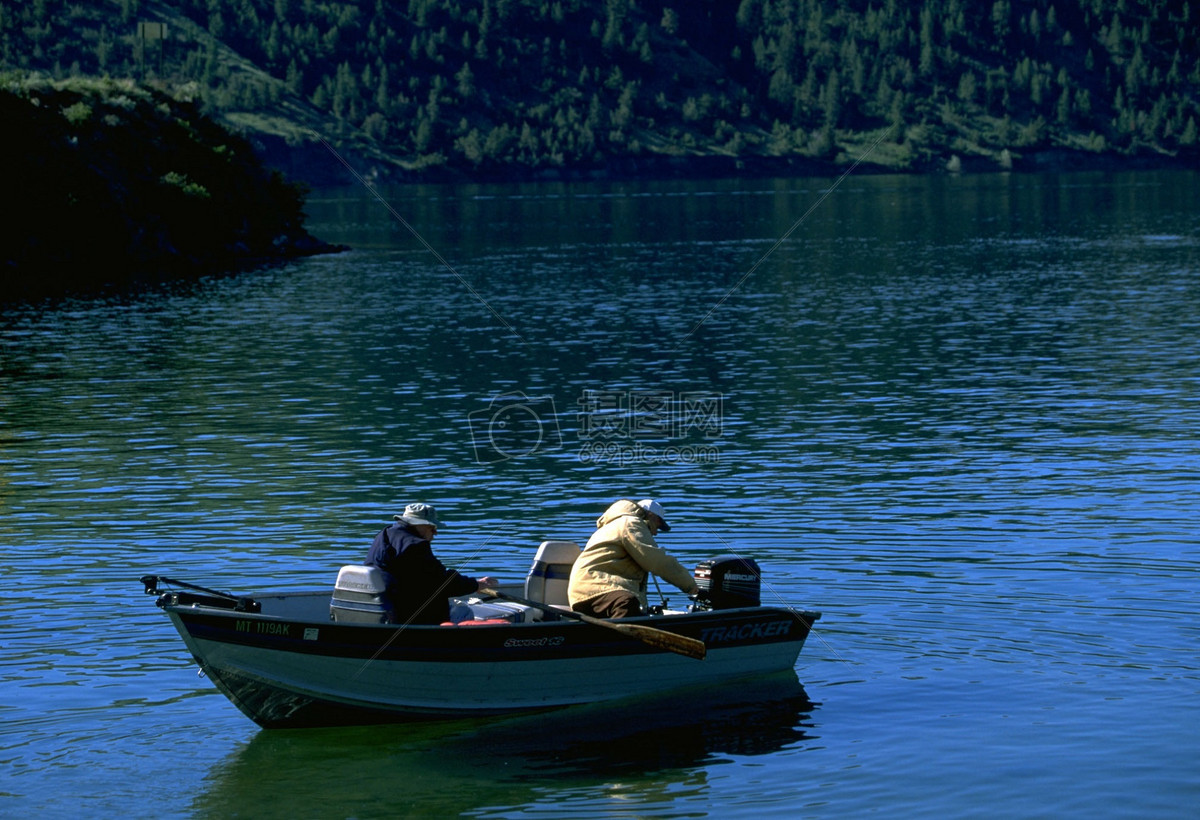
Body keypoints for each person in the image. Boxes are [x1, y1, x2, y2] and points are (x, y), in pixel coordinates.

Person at [365, 502, 499, 625]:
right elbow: (442, 583)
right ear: (419, 524)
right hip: (409, 615)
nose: (435, 533)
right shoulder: (415, 545)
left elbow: (430, 578)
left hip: (385, 604)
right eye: (432, 527)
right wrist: (476, 585)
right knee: (465, 611)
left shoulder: (384, 535)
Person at [567, 498, 700, 619]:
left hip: (584, 591)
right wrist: (692, 587)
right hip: (595, 588)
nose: (655, 532)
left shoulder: (615, 524)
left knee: (633, 605)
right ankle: (624, 643)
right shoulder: (631, 523)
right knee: (626, 602)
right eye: (658, 525)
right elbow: (657, 562)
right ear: (651, 516)